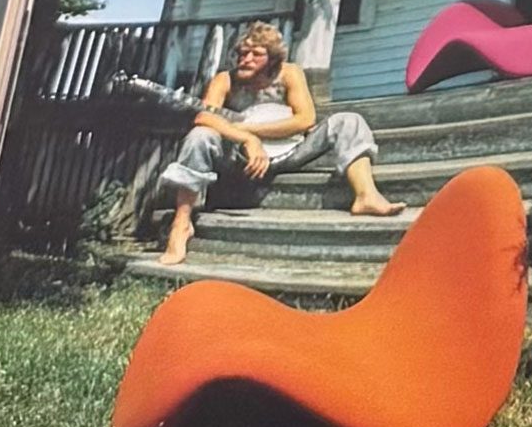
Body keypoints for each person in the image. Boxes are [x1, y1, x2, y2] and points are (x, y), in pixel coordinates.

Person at [155, 22, 400, 266]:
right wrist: (247, 140)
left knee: (349, 121)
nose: (246, 59)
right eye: (242, 53)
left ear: (272, 58)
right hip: (243, 159)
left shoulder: (289, 73)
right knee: (200, 135)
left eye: (256, 54)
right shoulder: (225, 80)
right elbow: (204, 117)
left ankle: (366, 195)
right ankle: (181, 224)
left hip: (291, 152)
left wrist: (248, 130)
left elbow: (305, 119)